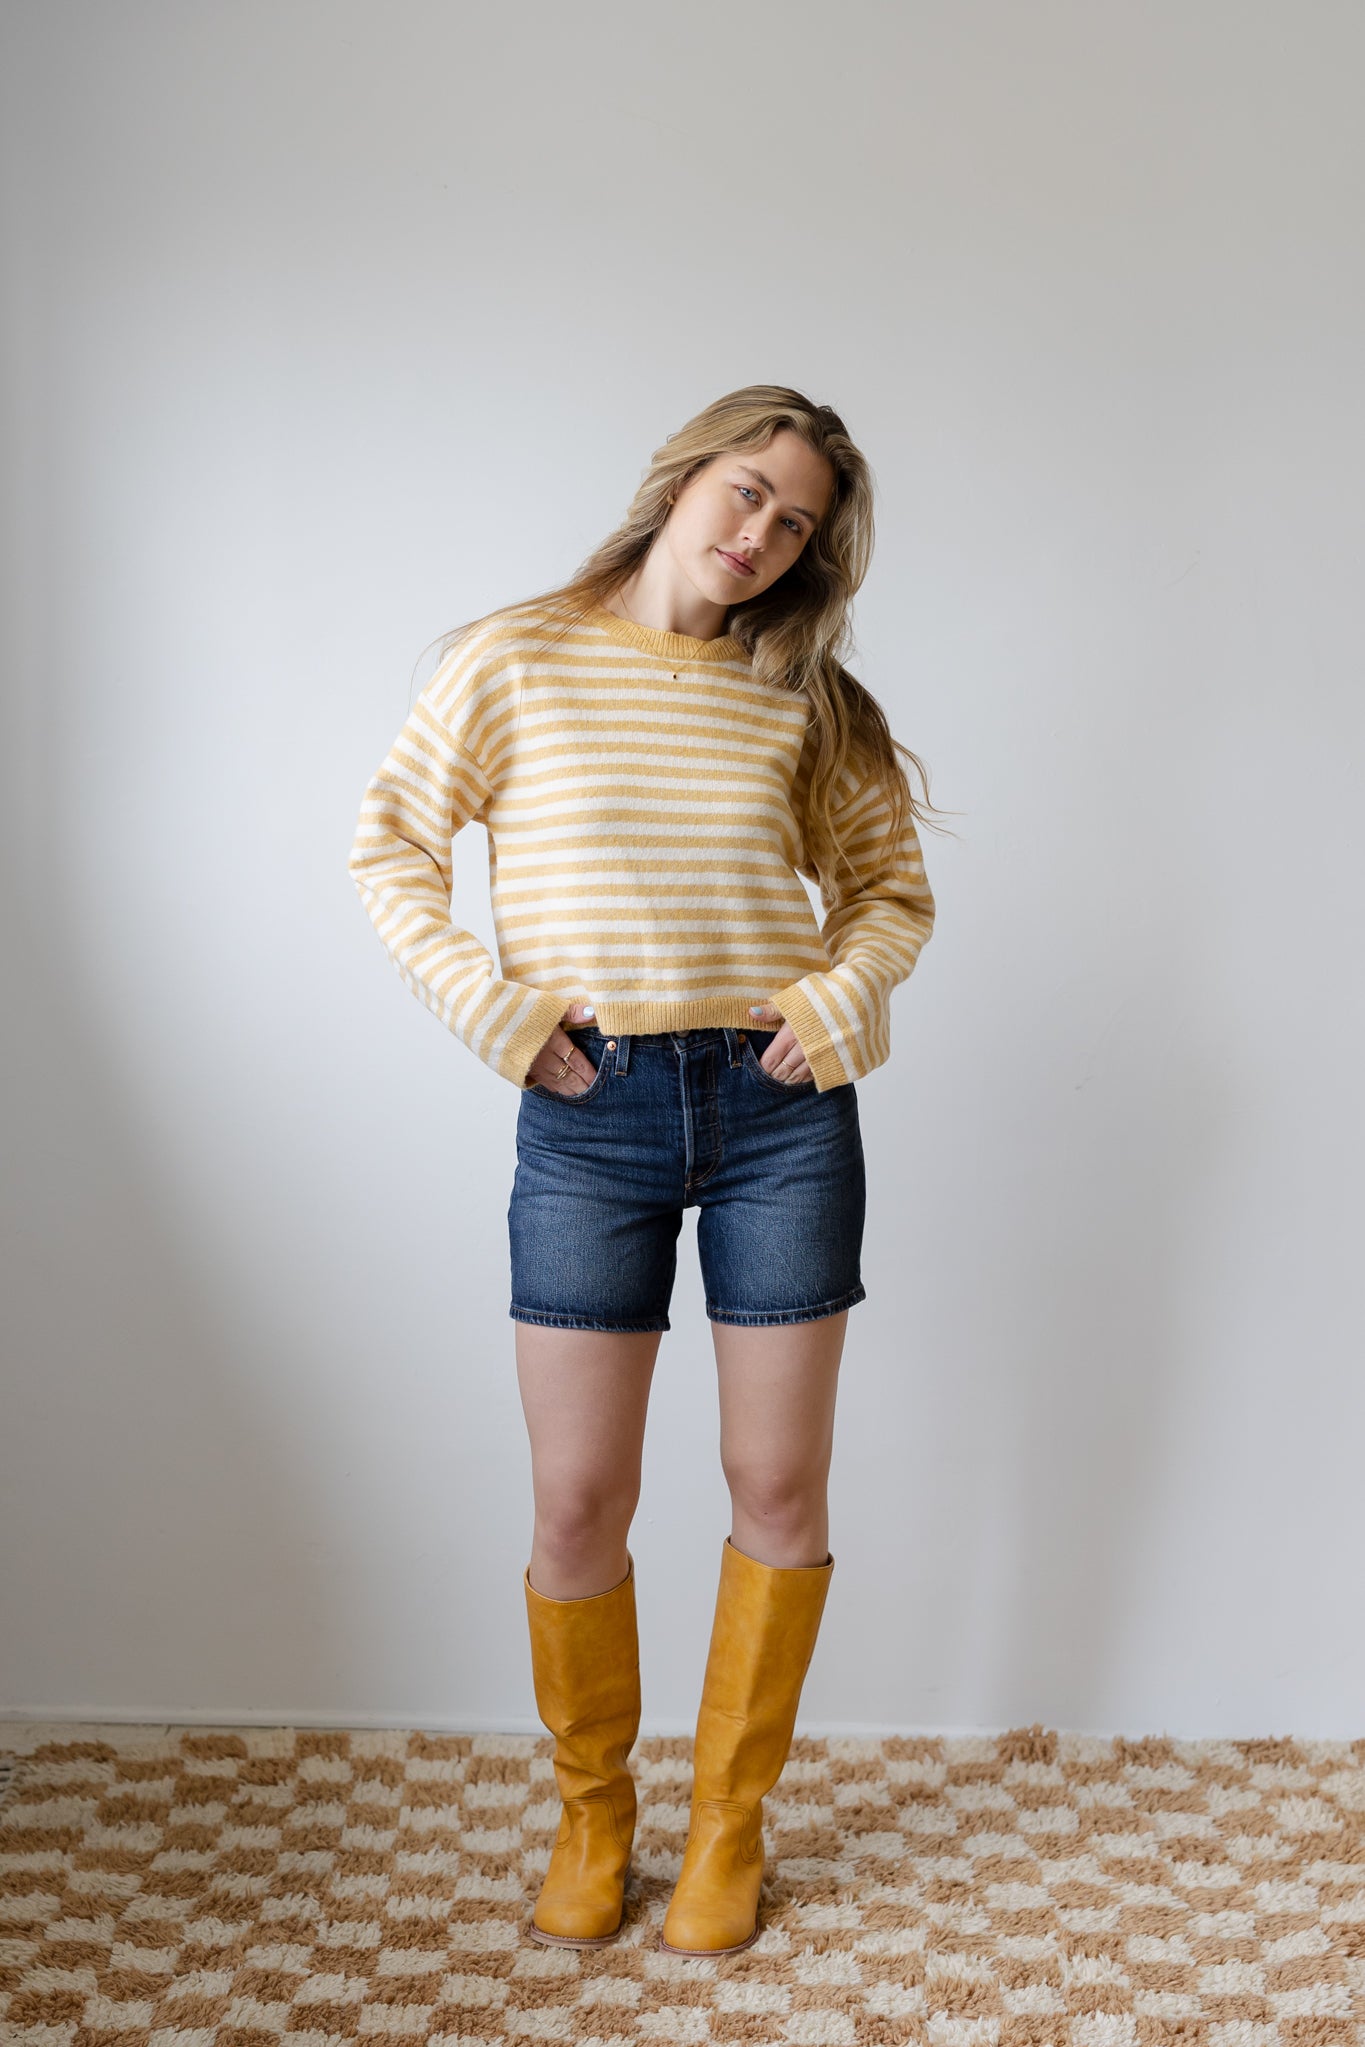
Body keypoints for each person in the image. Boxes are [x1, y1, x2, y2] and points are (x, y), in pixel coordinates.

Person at [347, 384, 944, 1956]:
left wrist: (831, 1005)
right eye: (744, 492)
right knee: (576, 1496)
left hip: (777, 1113)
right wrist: (495, 1009)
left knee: (773, 1486)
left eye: (794, 521)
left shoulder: (801, 694)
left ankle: (727, 1831)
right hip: (587, 1105)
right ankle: (593, 1810)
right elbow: (389, 846)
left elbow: (888, 892)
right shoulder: (515, 657)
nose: (757, 535)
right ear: (680, 478)